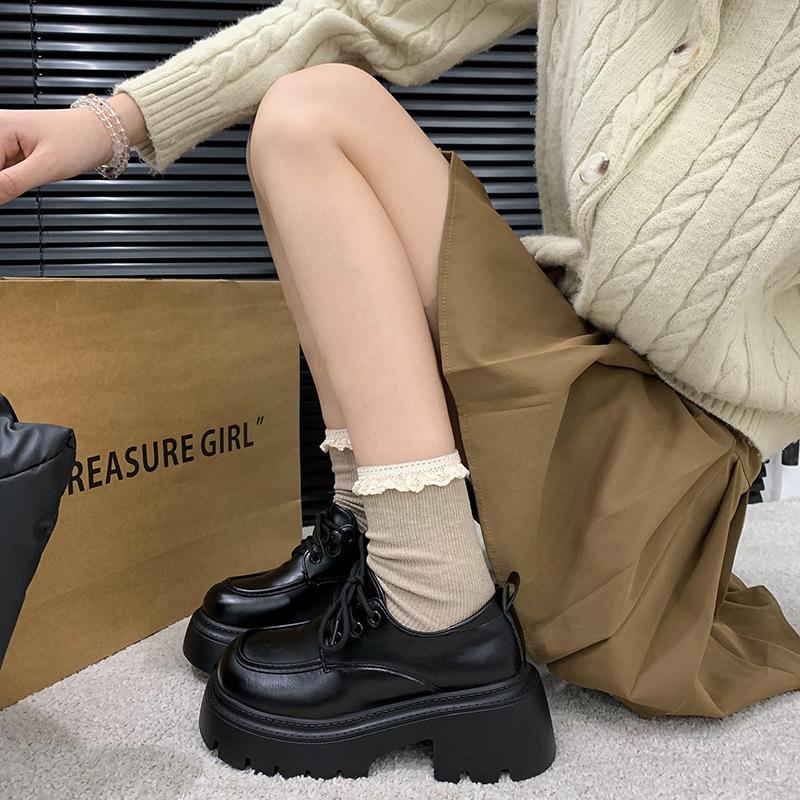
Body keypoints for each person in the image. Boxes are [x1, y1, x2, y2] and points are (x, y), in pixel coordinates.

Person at [1, 0, 799, 784]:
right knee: (307, 114)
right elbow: (366, 15)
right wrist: (107, 123)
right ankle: (379, 536)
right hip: (576, 365)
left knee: (313, 116)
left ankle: (437, 611)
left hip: (666, 465)